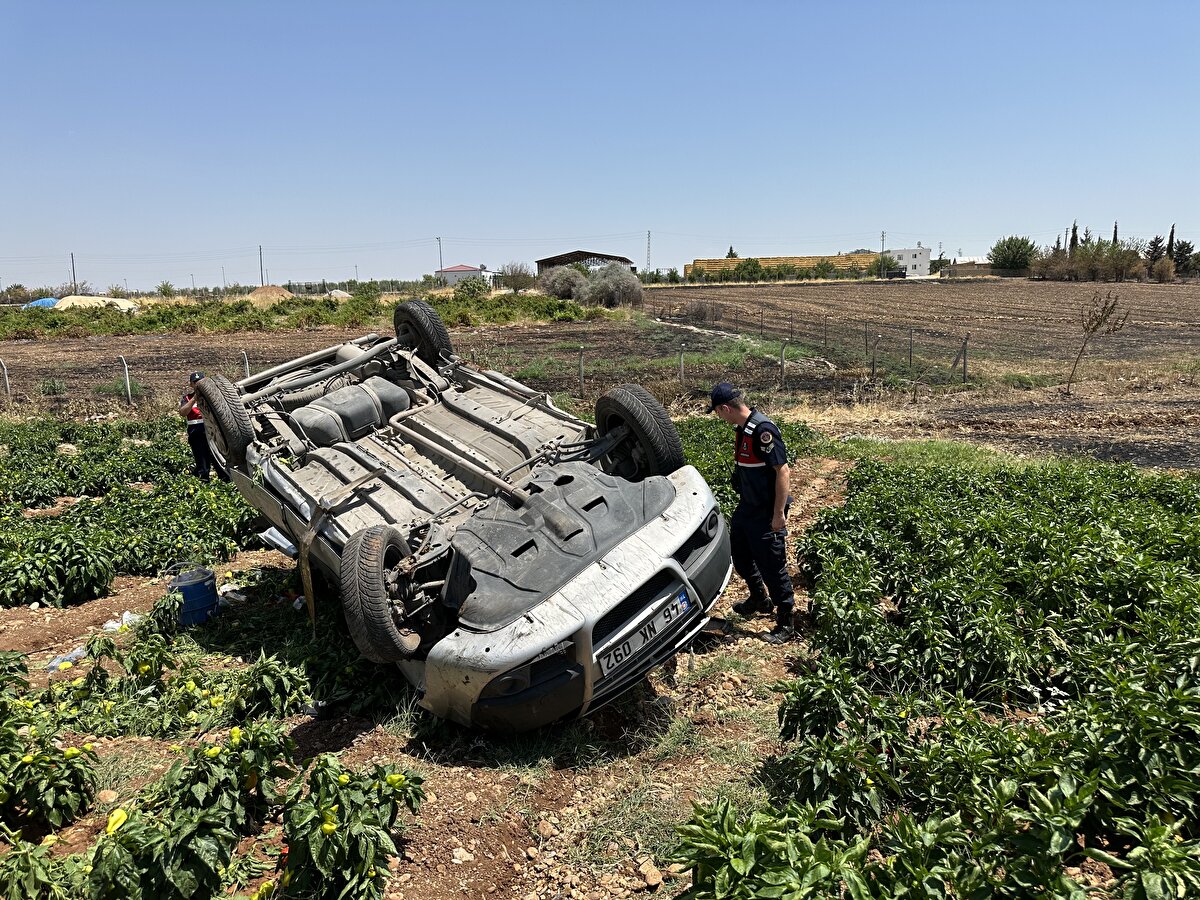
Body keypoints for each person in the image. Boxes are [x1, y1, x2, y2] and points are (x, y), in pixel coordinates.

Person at [708, 382, 796, 643]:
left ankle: (786, 622)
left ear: (725, 408)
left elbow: (783, 471)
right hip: (748, 506)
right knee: (739, 553)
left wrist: (778, 513)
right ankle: (759, 597)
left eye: (717, 412)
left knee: (773, 565)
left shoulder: (762, 430)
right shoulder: (743, 430)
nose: (719, 418)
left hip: (766, 511)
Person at [179, 371, 212, 481]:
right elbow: (183, 412)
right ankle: (202, 480)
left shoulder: (212, 397)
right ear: (191, 384)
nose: (198, 384)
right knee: (202, 460)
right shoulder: (187, 398)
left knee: (217, 461)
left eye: (200, 382)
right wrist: (194, 399)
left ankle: (225, 482)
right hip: (196, 432)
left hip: (212, 432)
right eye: (195, 382)